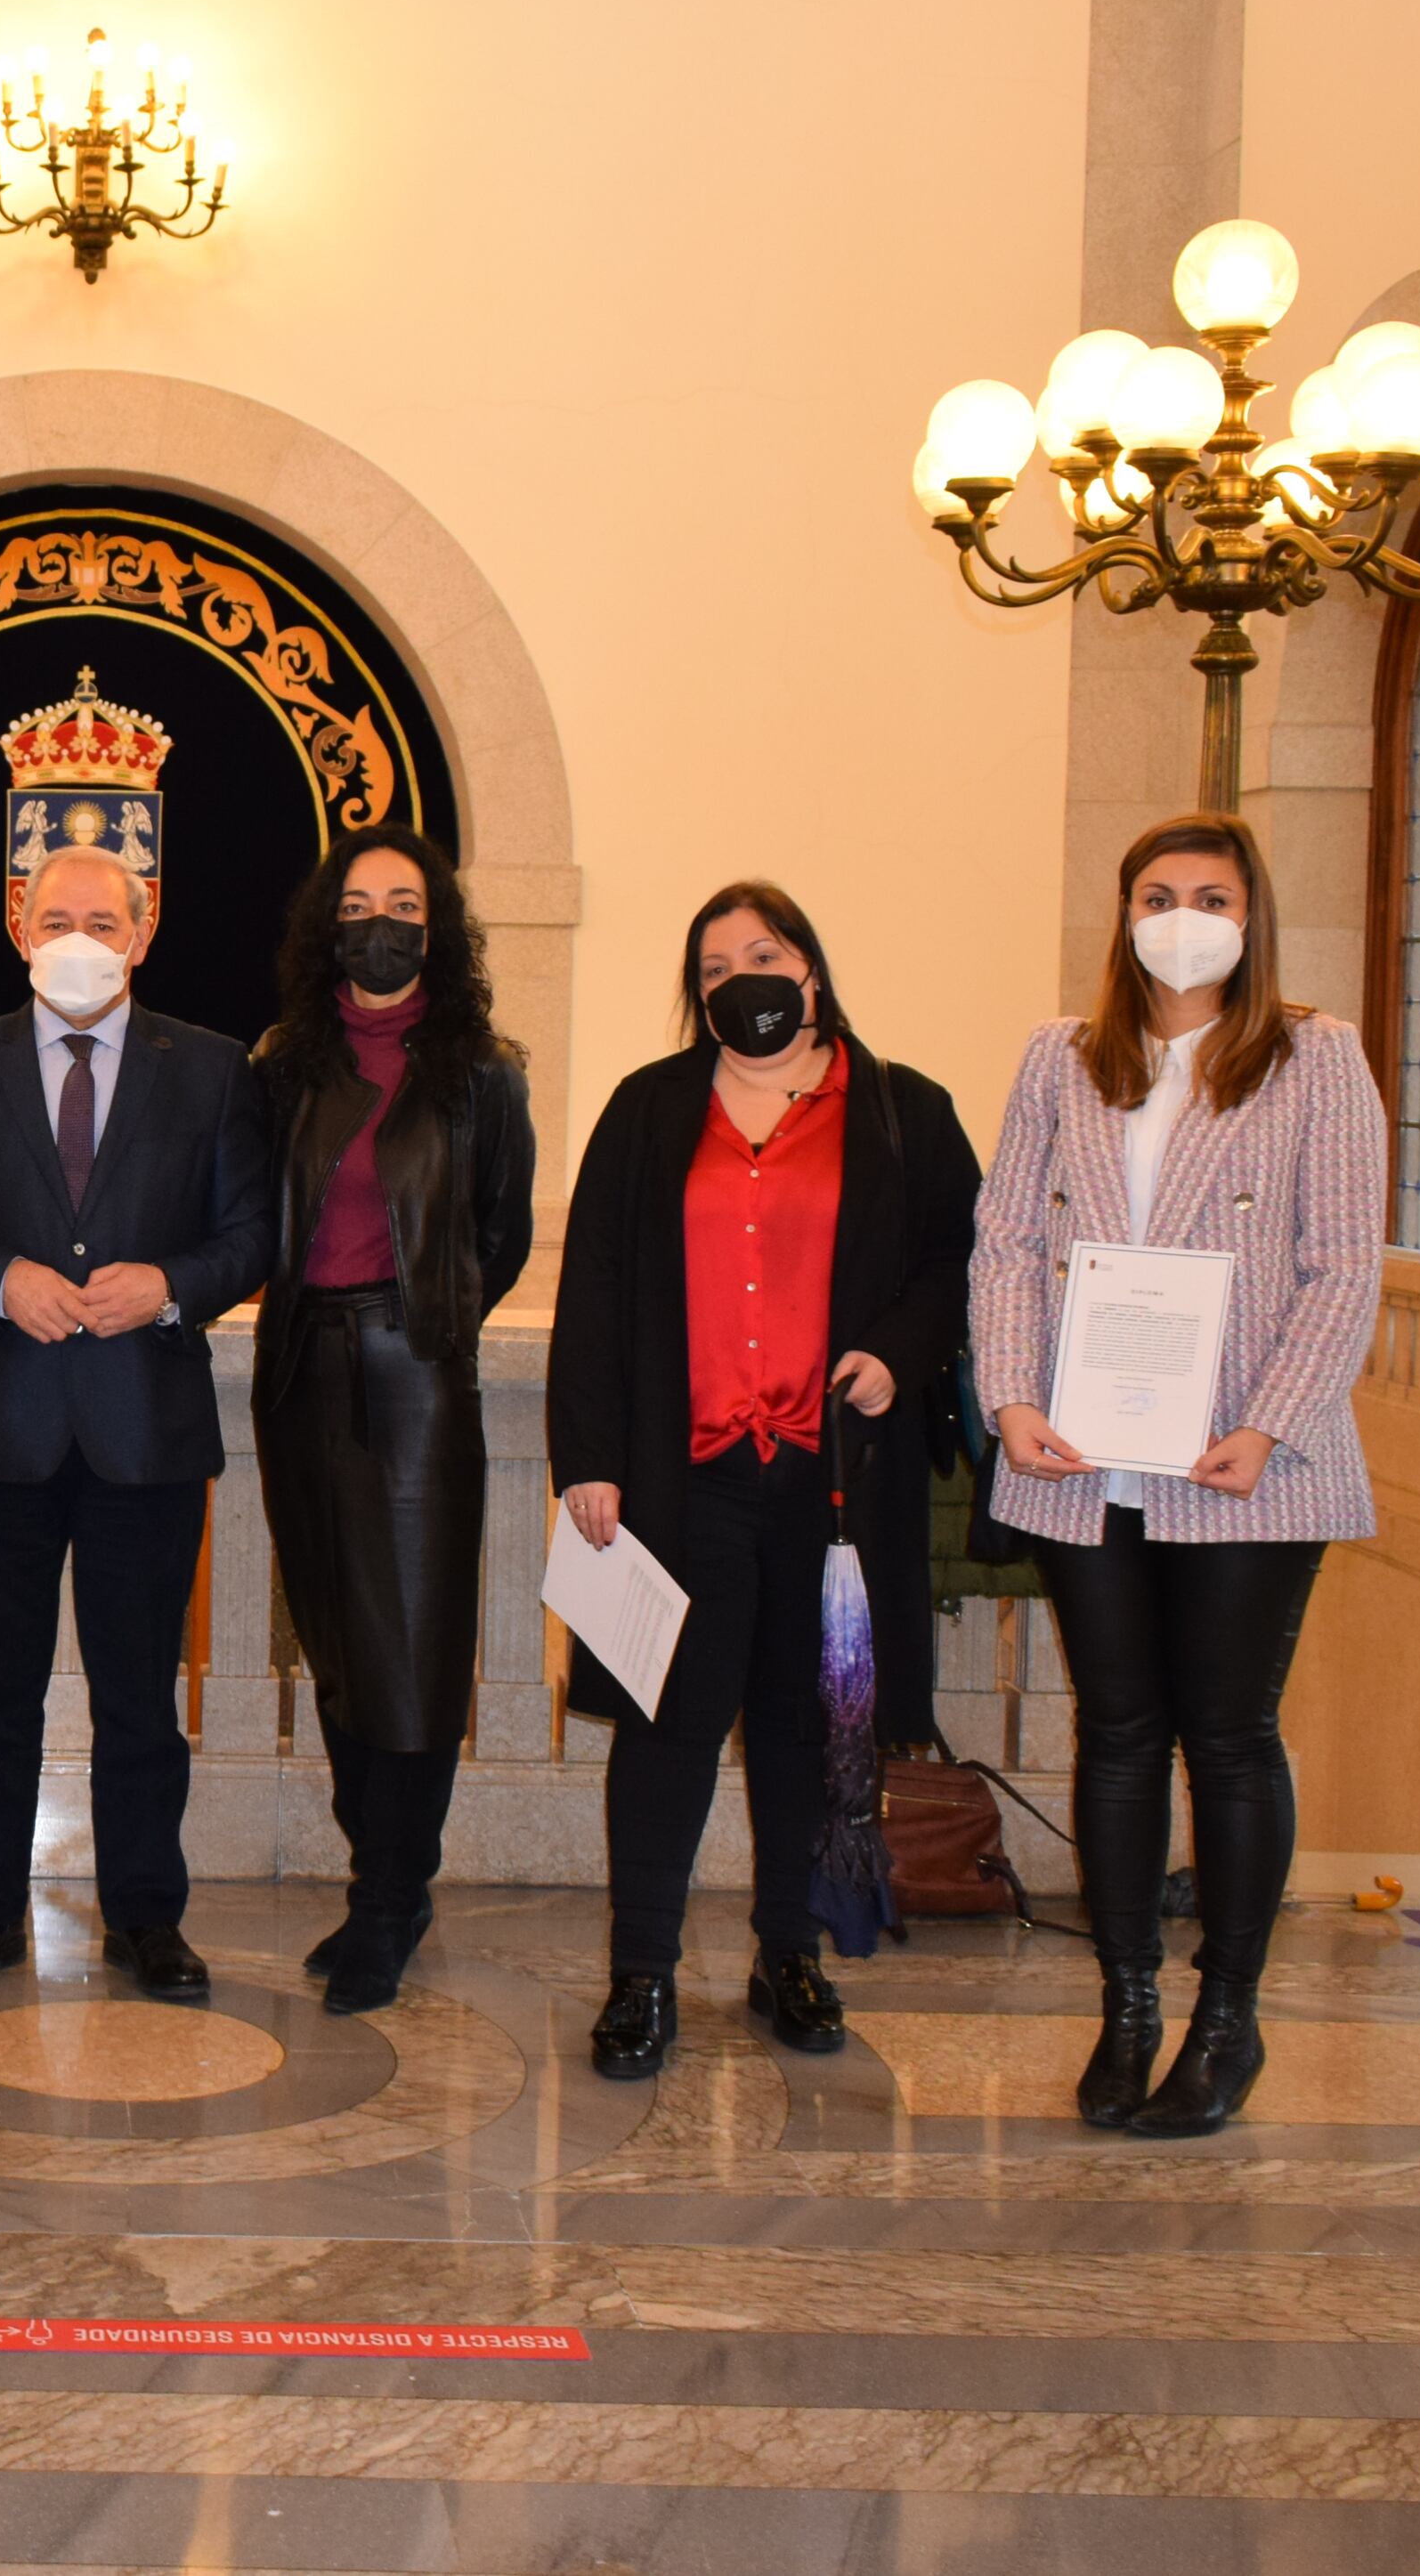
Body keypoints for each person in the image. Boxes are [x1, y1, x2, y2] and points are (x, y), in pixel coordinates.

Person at [971, 814, 1385, 2137]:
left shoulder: (1315, 1059)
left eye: (1212, 894)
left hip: (1240, 1464)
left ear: (1252, 916)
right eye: (1160, 893)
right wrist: (1012, 1395)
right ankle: (1128, 2002)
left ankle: (1228, 2014)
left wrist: (1270, 1420)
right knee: (1119, 1732)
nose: (1185, 915)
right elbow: (999, 1246)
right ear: (1124, 912)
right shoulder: (1059, 1061)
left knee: (1230, 1737)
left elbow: (1344, 1266)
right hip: (1084, 1460)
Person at [550, 881, 978, 2081]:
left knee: (806, 1725)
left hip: (830, 1481)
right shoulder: (648, 1113)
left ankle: (790, 1951)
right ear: (697, 997)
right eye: (715, 966)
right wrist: (586, 1461)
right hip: (683, 1479)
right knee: (667, 1725)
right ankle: (641, 1972)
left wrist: (897, 1351)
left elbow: (963, 1259)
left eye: (766, 951)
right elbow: (593, 1292)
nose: (744, 978)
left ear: (811, 964)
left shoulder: (899, 1110)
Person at [0, 841, 276, 2000]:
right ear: (19, 924)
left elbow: (250, 1233)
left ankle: (148, 1918)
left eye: (105, 921)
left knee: (140, 1698)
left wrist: (171, 1285)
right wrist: (2, 1278)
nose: (80, 938)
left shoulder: (211, 1069)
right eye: (59, 916)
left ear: (142, 936)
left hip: (144, 1430)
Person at [249, 830, 535, 2017]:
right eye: (360, 903)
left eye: (405, 904)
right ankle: (386, 1876)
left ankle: (387, 1897)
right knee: (334, 1646)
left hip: (417, 1376)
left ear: (439, 926)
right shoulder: (284, 1065)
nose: (382, 921)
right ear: (329, 924)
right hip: (302, 1367)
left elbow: (503, 1230)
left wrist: (432, 1319)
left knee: (409, 1651)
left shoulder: (480, 1072)